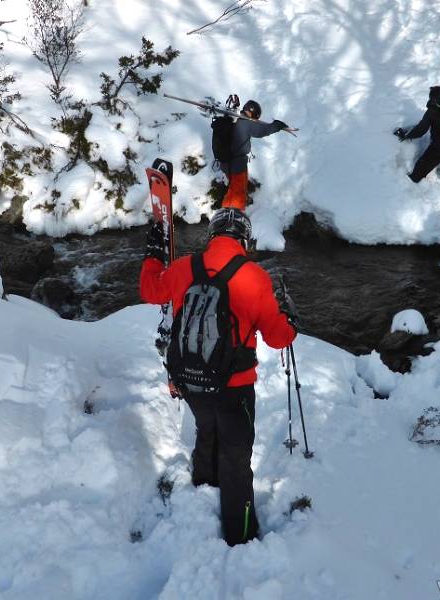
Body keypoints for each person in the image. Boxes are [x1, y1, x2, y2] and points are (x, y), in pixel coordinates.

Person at [139, 207, 298, 546]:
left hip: (190, 381)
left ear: (211, 236)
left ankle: (204, 487)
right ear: (245, 240)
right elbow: (278, 337)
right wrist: (290, 320)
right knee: (236, 458)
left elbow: (150, 291)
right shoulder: (255, 277)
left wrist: (153, 255)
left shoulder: (184, 268)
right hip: (234, 388)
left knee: (206, 429)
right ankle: (240, 535)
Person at [218, 99, 289, 211]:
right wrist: (278, 125)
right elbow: (264, 130)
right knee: (238, 193)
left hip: (226, 162)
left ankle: (226, 214)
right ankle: (233, 219)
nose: (256, 120)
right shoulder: (245, 123)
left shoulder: (234, 119)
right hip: (236, 165)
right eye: (256, 117)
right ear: (253, 113)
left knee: (234, 189)